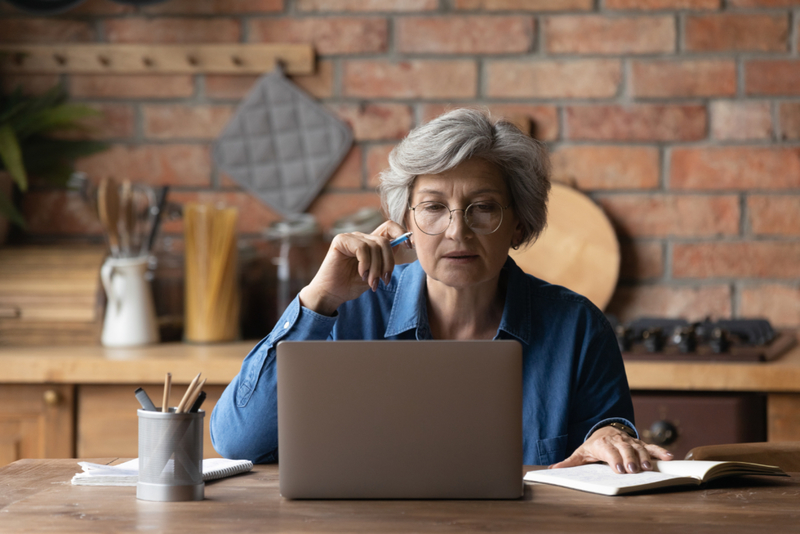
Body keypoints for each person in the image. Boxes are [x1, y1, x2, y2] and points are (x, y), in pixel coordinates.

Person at [210, 108, 673, 472]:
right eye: (433, 207)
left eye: (483, 208)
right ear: (404, 223)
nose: (457, 232)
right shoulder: (349, 311)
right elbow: (238, 443)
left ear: (517, 224)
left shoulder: (577, 326)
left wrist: (611, 437)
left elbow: (606, 442)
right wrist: (319, 299)